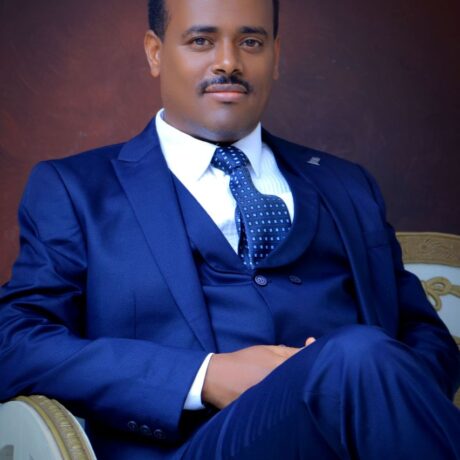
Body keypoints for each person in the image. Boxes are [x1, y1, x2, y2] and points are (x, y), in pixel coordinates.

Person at [0, 0, 459, 458]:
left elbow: (426, 335)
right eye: (201, 41)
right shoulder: (76, 189)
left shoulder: (348, 185)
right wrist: (204, 376)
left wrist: (375, 393)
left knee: (359, 356)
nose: (228, 62)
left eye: (251, 42)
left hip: (356, 442)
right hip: (188, 449)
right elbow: (14, 343)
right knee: (356, 354)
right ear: (155, 53)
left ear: (275, 56)